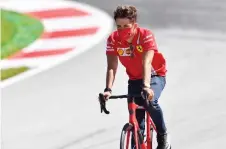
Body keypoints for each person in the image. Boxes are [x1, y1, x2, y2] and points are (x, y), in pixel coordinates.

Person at [102, 5, 171, 149]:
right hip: (134, 79)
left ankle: (162, 134)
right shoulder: (113, 39)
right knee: (136, 120)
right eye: (119, 26)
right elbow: (112, 67)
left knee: (150, 102)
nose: (122, 31)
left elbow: (146, 63)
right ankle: (137, 142)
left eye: (126, 26)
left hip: (154, 76)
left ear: (134, 25)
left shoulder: (146, 35)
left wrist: (146, 87)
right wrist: (108, 89)